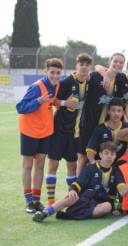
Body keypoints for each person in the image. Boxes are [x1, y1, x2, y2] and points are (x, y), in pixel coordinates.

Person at [32, 142, 126, 222]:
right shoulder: (90, 168)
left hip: (101, 201)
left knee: (107, 207)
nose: (109, 156)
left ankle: (70, 215)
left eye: (112, 154)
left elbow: (121, 190)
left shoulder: (116, 171)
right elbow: (79, 183)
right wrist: (72, 190)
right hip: (86, 197)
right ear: (100, 155)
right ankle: (46, 212)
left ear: (115, 156)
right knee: (71, 196)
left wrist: (117, 209)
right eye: (106, 153)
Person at [16, 58, 63, 213]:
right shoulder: (37, 87)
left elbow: (52, 101)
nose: (55, 76)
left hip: (45, 131)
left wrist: (62, 103)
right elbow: (21, 107)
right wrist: (37, 101)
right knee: (28, 165)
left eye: (58, 73)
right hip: (29, 131)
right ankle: (28, 201)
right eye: (52, 72)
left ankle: (36, 200)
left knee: (41, 164)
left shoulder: (57, 86)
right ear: (46, 71)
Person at [46, 53, 92, 206]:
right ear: (76, 66)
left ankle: (69, 201)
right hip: (59, 130)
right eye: (81, 64)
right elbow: (53, 100)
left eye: (87, 65)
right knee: (53, 164)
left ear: (89, 68)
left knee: (72, 166)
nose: (84, 67)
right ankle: (51, 201)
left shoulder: (90, 83)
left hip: (76, 133)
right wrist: (65, 102)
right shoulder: (66, 82)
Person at [77, 53, 125, 176]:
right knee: (83, 156)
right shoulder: (95, 76)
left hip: (106, 127)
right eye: (115, 61)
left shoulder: (121, 80)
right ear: (109, 61)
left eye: (121, 62)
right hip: (89, 124)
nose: (118, 64)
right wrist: (103, 73)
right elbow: (85, 74)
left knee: (104, 158)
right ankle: (75, 190)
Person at [86, 98, 128, 163]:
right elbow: (90, 150)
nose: (116, 114)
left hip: (121, 165)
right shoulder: (100, 129)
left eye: (119, 111)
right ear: (108, 111)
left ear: (123, 112)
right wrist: (92, 162)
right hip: (103, 164)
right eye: (113, 110)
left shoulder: (127, 127)